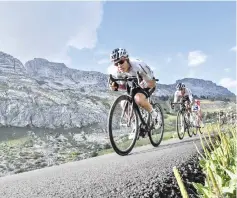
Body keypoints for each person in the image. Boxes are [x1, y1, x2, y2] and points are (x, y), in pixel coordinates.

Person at [108, 48, 160, 129]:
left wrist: (143, 85)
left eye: (121, 62)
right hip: (133, 87)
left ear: (127, 59)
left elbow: (152, 83)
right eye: (116, 64)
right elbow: (123, 86)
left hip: (147, 83)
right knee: (123, 103)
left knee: (138, 99)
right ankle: (135, 126)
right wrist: (116, 87)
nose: (119, 65)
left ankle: (155, 115)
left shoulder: (139, 65)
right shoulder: (118, 72)